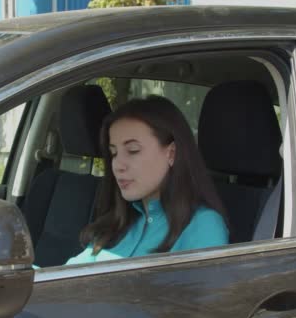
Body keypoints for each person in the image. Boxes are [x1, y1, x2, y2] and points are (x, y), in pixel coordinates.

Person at [65, 95, 229, 265]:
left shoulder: (203, 226)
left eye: (133, 150)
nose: (118, 165)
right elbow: (62, 278)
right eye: (114, 153)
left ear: (171, 153)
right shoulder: (116, 224)